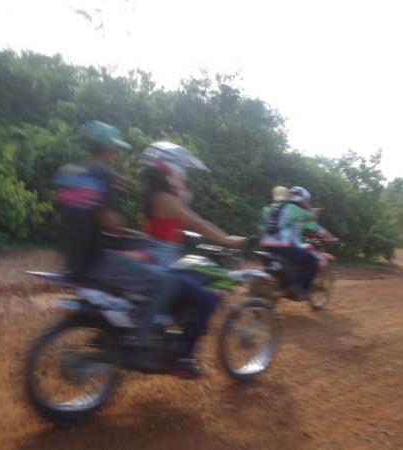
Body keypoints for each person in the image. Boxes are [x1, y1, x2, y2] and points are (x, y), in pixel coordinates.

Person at [55, 121, 180, 353]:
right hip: (96, 259)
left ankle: (122, 326)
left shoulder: (69, 173)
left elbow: (77, 211)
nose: (120, 152)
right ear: (110, 149)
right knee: (163, 283)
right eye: (117, 148)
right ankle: (140, 343)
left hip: (71, 257)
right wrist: (123, 228)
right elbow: (108, 222)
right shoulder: (104, 175)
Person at [140, 141, 245, 377]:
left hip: (156, 258)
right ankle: (184, 358)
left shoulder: (157, 197)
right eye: (183, 171)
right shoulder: (165, 199)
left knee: (191, 285)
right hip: (162, 265)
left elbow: (172, 224)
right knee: (206, 301)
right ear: (172, 168)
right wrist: (228, 240)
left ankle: (171, 335)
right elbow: (196, 221)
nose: (185, 177)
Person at [260, 185, 334, 300]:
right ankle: (300, 290)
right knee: (312, 260)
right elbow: (315, 224)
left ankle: (286, 282)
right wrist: (312, 211)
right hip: (285, 246)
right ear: (302, 200)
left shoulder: (270, 208)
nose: (307, 202)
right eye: (306, 200)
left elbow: (262, 228)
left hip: (268, 245)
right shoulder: (295, 211)